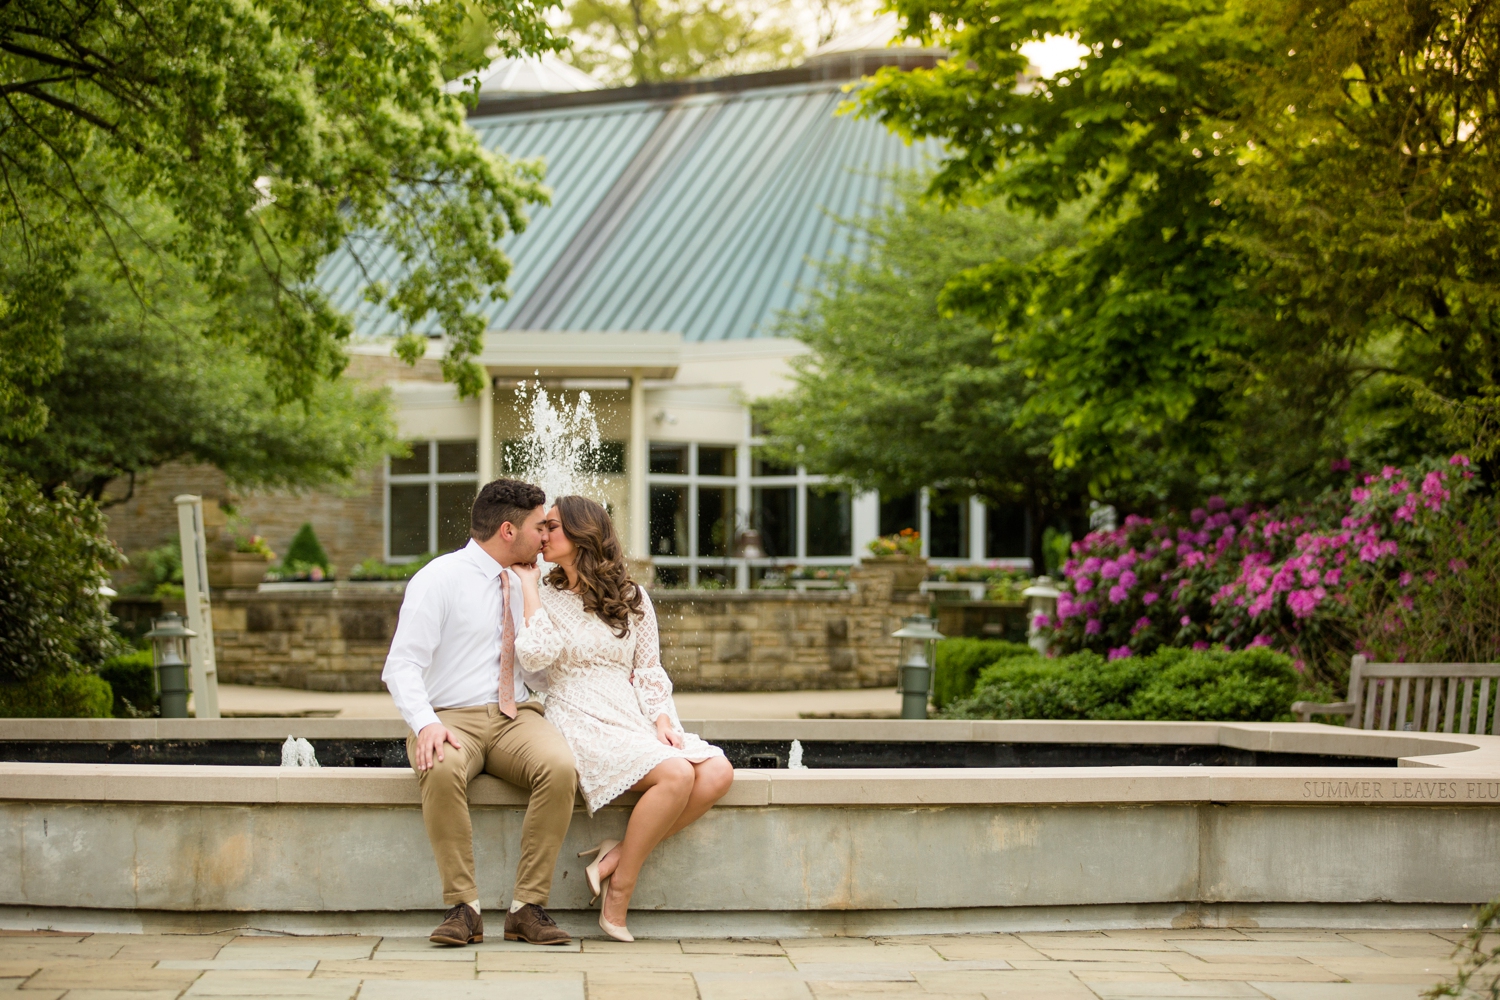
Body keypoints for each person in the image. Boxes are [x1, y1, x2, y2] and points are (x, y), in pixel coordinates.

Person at [514, 494, 734, 943]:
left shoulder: (632, 596)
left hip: (628, 711)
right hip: (576, 712)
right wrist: (531, 591)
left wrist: (662, 720)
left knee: (717, 772)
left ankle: (615, 856)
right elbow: (535, 662)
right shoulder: (540, 591)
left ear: (581, 534)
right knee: (675, 775)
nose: (542, 535)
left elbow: (649, 669)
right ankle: (621, 892)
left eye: (552, 527)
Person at [381, 479, 578, 947]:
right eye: (539, 526)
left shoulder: (532, 582)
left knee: (561, 765)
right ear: (508, 530)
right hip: (450, 716)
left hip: (516, 716)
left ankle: (527, 907)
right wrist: (426, 723)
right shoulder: (439, 578)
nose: (546, 535)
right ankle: (463, 908)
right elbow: (401, 665)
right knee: (441, 765)